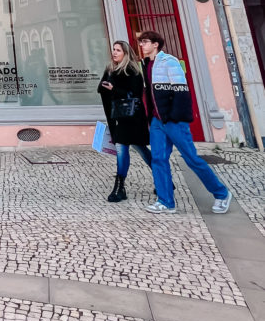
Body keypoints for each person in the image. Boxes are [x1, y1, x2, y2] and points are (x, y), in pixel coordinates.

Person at [138, 29, 232, 214]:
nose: (142, 45)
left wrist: (174, 117)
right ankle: (166, 201)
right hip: (157, 121)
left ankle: (221, 193)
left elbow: (181, 91)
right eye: (141, 42)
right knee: (158, 159)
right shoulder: (146, 64)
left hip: (173, 121)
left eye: (145, 41)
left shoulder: (169, 61)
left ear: (155, 44)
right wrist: (151, 118)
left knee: (191, 159)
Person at [98, 40, 152, 202]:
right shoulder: (110, 69)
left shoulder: (132, 71)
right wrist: (105, 86)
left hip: (133, 118)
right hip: (118, 117)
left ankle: (164, 178)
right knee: (122, 149)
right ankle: (119, 188)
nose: (114, 53)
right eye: (114, 49)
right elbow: (101, 89)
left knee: (141, 149)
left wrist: (114, 89)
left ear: (126, 54)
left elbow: (135, 95)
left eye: (118, 50)